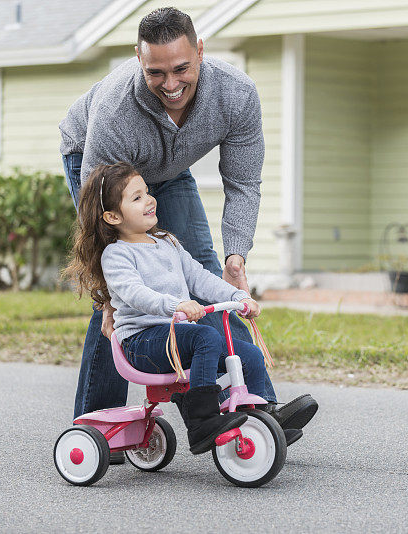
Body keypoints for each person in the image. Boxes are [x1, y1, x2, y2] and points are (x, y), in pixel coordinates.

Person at [58, 8, 316, 460]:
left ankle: (256, 407)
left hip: (169, 174)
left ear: (200, 50)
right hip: (103, 173)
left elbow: (242, 183)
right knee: (127, 289)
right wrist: (104, 298)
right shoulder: (116, 110)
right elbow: (97, 227)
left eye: (181, 69)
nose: (171, 83)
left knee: (198, 276)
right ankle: (101, 429)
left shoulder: (235, 95)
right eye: (156, 72)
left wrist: (236, 256)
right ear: (138, 60)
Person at [63, 162, 301, 452]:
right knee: (205, 337)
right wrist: (176, 305)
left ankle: (260, 419)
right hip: (142, 342)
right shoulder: (116, 255)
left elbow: (200, 278)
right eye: (136, 198)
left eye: (147, 192)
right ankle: (202, 420)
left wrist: (237, 297)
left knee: (247, 352)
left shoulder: (167, 243)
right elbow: (135, 293)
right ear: (112, 216)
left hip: (175, 337)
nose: (149, 199)